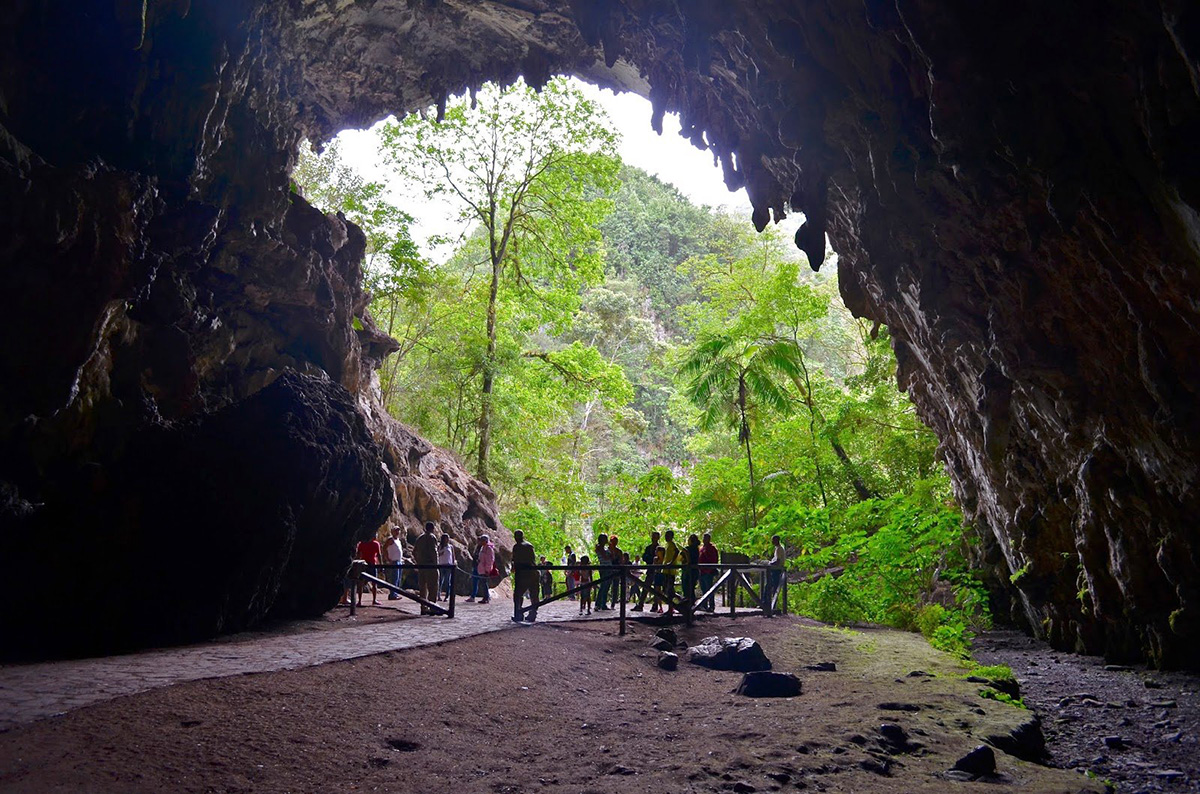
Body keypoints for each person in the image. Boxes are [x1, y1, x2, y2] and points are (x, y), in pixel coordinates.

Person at [511, 529, 539, 623]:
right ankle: (533, 613)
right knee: (533, 594)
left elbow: (515, 560)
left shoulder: (517, 547)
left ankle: (519, 613)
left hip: (523, 573)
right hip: (533, 572)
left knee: (518, 594)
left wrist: (514, 567)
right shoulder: (529, 545)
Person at [412, 521, 439, 613]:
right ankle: (432, 607)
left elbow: (414, 551)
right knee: (432, 587)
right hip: (430, 565)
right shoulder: (431, 537)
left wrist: (418, 561)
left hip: (421, 566)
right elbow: (434, 552)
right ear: (432, 528)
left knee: (422, 588)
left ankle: (423, 607)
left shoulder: (420, 538)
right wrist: (436, 565)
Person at [632, 530, 660, 612]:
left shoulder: (659, 548)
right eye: (653, 537)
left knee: (656, 588)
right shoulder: (648, 548)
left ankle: (655, 605)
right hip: (650, 570)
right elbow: (644, 557)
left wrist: (650, 559)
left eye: (655, 537)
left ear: (658, 538)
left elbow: (658, 559)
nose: (653, 538)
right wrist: (651, 559)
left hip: (657, 571)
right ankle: (640, 605)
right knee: (646, 587)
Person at [355, 534, 382, 606]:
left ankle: (359, 601)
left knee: (361, 583)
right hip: (372, 564)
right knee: (374, 583)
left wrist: (357, 562)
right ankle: (374, 600)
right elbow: (379, 555)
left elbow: (358, 554)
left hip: (364, 564)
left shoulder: (362, 543)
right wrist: (381, 565)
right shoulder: (376, 544)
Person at [469, 535, 495, 603]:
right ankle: (485, 597)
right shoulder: (483, 548)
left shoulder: (489, 548)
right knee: (483, 583)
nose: (481, 542)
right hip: (481, 569)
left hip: (485, 569)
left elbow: (489, 560)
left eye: (482, 540)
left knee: (484, 583)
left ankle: (486, 598)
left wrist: (487, 569)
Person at [698, 532, 719, 611]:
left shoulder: (712, 548)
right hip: (701, 571)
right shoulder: (702, 548)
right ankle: (704, 605)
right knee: (703, 589)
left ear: (709, 539)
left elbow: (714, 559)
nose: (704, 540)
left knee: (709, 589)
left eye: (706, 538)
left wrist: (711, 569)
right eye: (703, 538)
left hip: (708, 572)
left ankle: (711, 606)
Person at [661, 529, 681, 616]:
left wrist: (671, 562)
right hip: (666, 570)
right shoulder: (667, 545)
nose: (666, 537)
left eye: (667, 536)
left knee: (669, 589)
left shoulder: (672, 544)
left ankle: (672, 608)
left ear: (671, 537)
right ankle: (676, 602)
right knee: (667, 589)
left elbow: (677, 551)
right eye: (665, 535)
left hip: (670, 570)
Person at [766, 535, 786, 615]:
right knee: (772, 586)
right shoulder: (779, 548)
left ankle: (769, 604)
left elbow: (778, 561)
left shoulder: (779, 549)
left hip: (776, 570)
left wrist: (770, 564)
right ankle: (770, 604)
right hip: (776, 569)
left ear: (776, 540)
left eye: (773, 540)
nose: (772, 542)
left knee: (771, 586)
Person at [383, 527, 404, 600]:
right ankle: (392, 594)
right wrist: (388, 559)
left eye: (398, 530)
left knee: (398, 579)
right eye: (396, 531)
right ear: (392, 532)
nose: (397, 532)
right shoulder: (390, 540)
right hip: (394, 561)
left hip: (399, 561)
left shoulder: (398, 540)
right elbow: (384, 548)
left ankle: (395, 593)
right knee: (394, 578)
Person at [593, 533, 612, 611]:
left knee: (606, 586)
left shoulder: (604, 548)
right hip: (604, 567)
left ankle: (603, 604)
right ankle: (598, 604)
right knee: (603, 586)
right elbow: (605, 557)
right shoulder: (599, 547)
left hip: (608, 567)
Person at [682, 533, 701, 607]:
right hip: (694, 571)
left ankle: (688, 605)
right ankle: (691, 605)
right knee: (691, 588)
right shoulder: (696, 549)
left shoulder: (688, 549)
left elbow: (681, 558)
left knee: (687, 588)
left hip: (688, 571)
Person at [437, 533, 455, 601]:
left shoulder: (450, 546)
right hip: (441, 564)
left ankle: (447, 596)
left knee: (448, 581)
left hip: (448, 565)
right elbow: (438, 554)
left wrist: (453, 563)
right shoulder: (440, 546)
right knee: (440, 580)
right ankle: (438, 595)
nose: (447, 540)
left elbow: (453, 556)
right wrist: (441, 552)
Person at [649, 546, 666, 613]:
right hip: (657, 575)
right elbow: (655, 566)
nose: (655, 551)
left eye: (657, 550)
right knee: (657, 592)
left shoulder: (665, 559)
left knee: (666, 591)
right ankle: (660, 607)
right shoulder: (655, 559)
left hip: (663, 575)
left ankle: (672, 607)